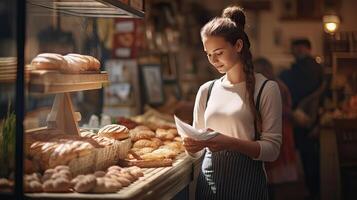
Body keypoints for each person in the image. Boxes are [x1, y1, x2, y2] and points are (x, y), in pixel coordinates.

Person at [183, 6, 282, 200]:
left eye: (218, 52)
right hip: (208, 184)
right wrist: (191, 147)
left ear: (238, 45)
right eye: (208, 54)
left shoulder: (266, 89)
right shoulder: (206, 90)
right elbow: (197, 151)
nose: (213, 60)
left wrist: (231, 143)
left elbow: (272, 150)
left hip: (248, 186)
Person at [279, 39, 324, 199]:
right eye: (294, 49)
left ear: (306, 49)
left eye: (297, 48)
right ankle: (312, 193)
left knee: (306, 162)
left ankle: (311, 193)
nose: (295, 52)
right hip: (311, 121)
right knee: (309, 161)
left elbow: (293, 87)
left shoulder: (303, 68)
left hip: (302, 120)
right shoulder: (318, 68)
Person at [254, 57, 298, 197]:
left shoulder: (273, 86)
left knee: (275, 181)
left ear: (266, 71)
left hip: (279, 134)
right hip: (281, 133)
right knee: (274, 181)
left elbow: (278, 111)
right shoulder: (275, 84)